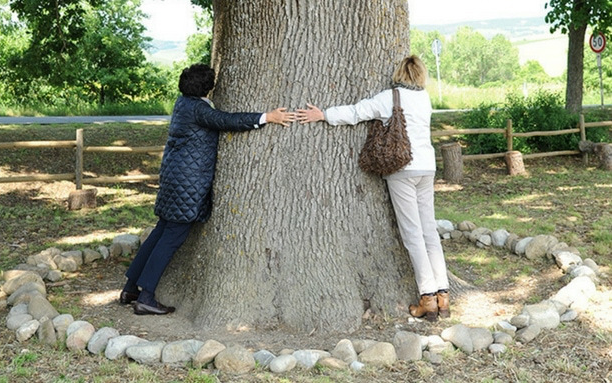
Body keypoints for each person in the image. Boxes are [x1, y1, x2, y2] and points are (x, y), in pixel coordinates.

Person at [121, 64, 296, 316]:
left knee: (160, 233)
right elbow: (226, 120)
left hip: (174, 179)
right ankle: (146, 297)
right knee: (170, 239)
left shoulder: (182, 104)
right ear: (207, 87)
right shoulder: (199, 109)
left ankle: (130, 288)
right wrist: (267, 117)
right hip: (187, 184)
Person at [296, 55, 450, 322]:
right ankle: (443, 296)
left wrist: (323, 115)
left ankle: (427, 298)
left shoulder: (391, 98)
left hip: (403, 169)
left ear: (399, 73)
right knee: (429, 232)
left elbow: (357, 112)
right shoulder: (424, 98)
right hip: (427, 168)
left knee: (413, 234)